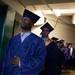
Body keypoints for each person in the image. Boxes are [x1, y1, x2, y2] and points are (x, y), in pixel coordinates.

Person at [1, 9, 46, 75]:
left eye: (26, 19)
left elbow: (40, 61)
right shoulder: (13, 40)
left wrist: (21, 62)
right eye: (22, 19)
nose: (23, 21)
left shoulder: (38, 42)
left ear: (32, 23)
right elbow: (6, 59)